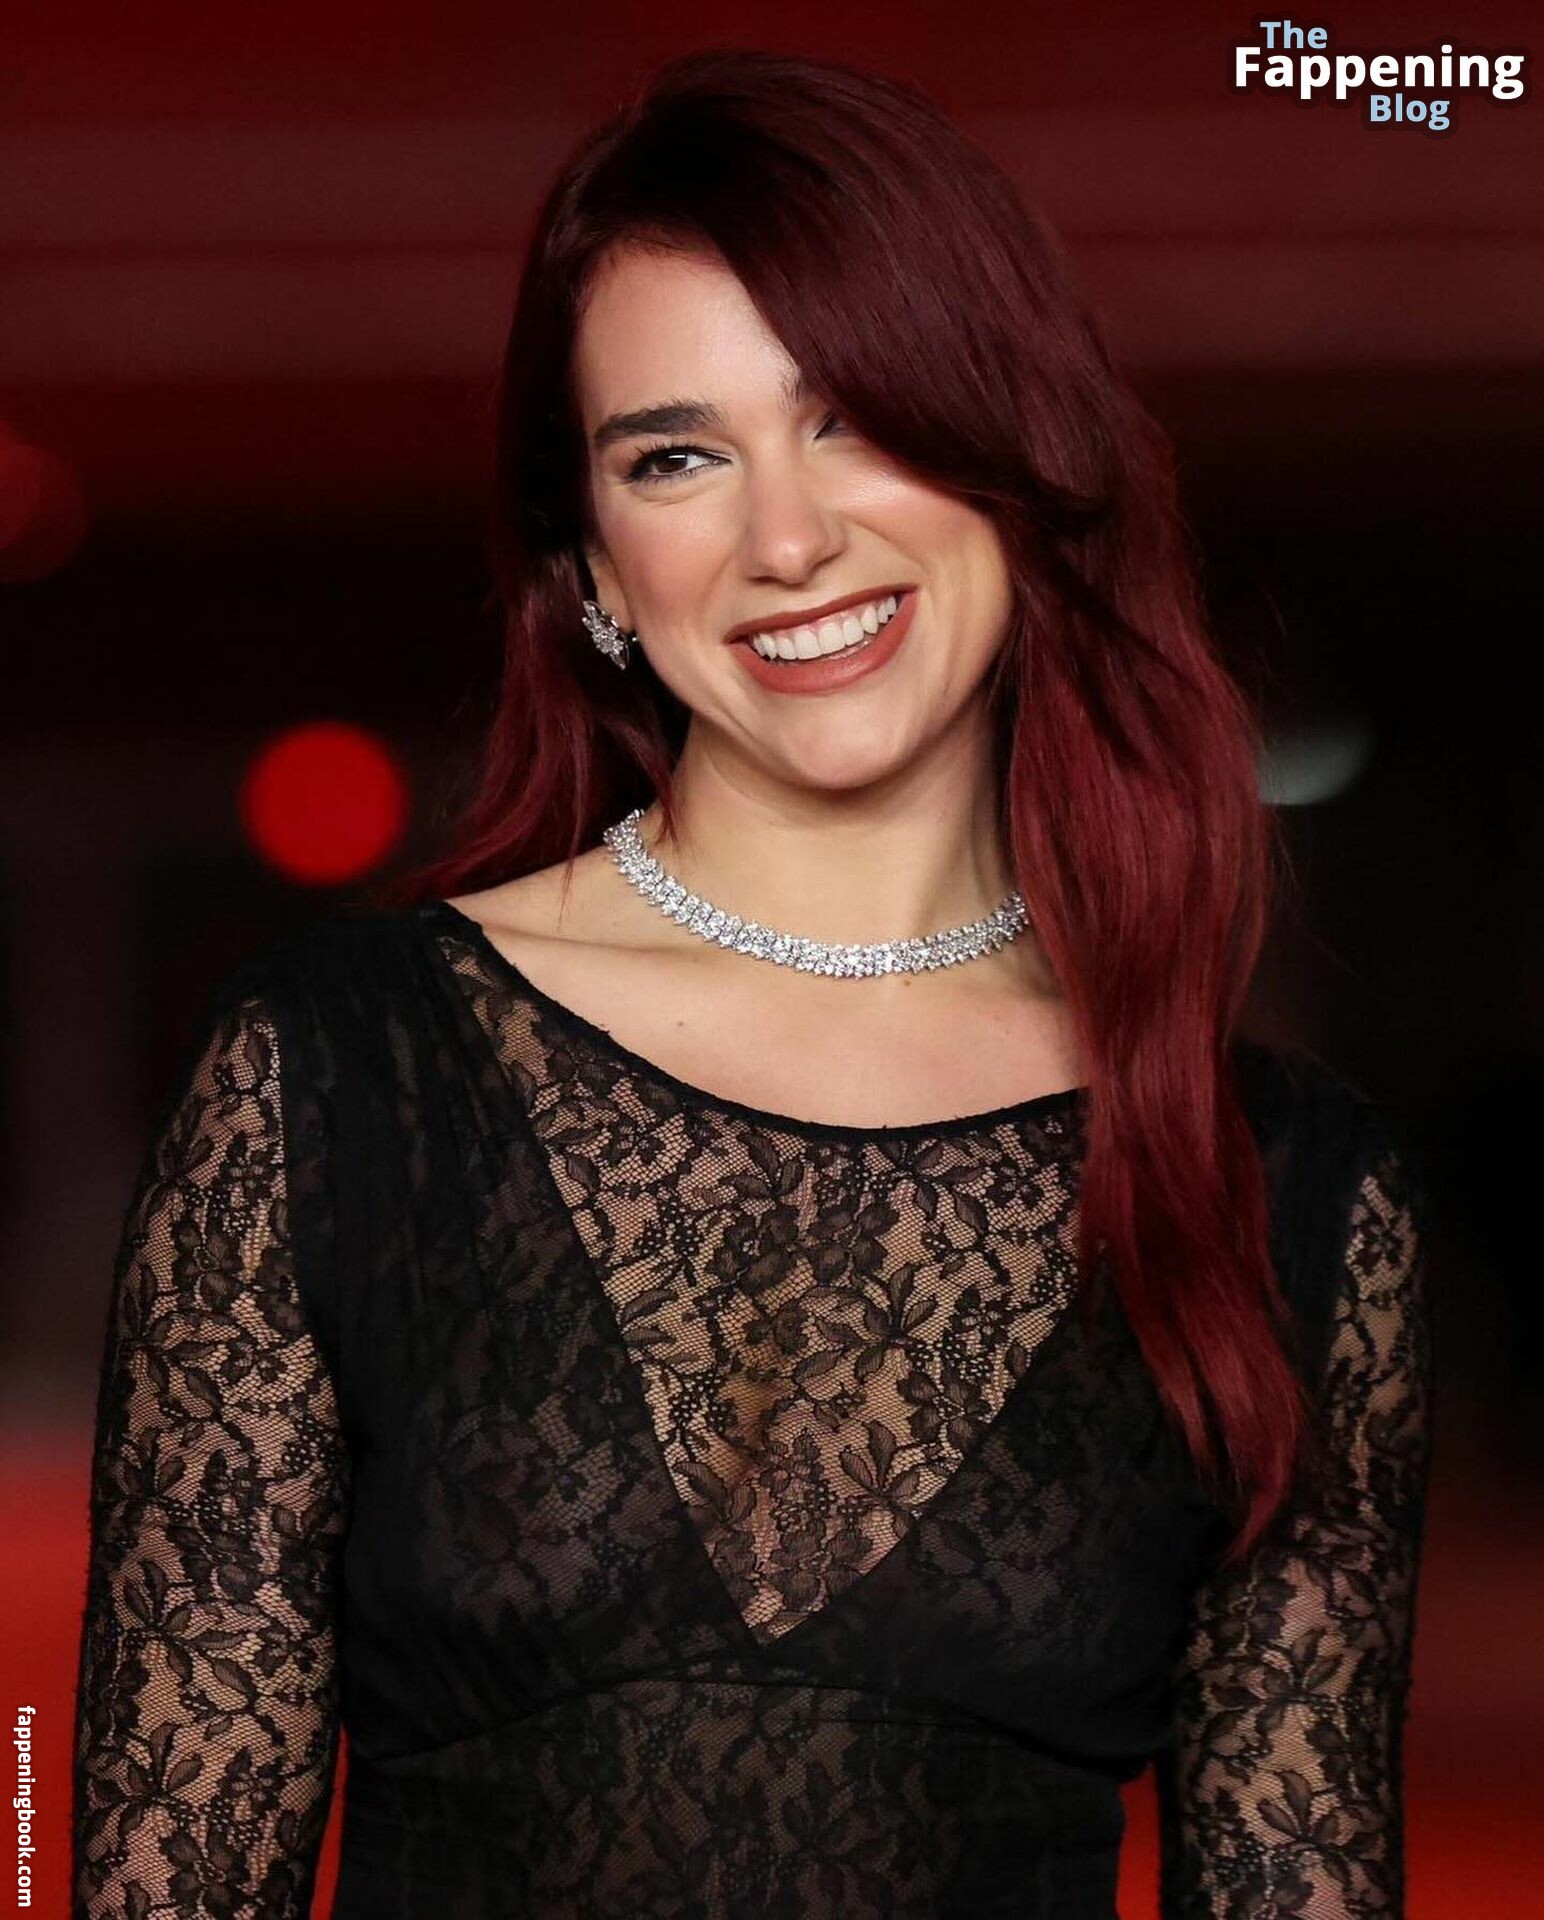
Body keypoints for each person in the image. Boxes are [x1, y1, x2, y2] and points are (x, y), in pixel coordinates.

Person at [71, 47, 1433, 1920]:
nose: (788, 540)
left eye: (854, 419)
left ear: (1018, 464)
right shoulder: (337, 1076)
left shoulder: (1282, 1190)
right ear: (594, 565)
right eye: (677, 456)